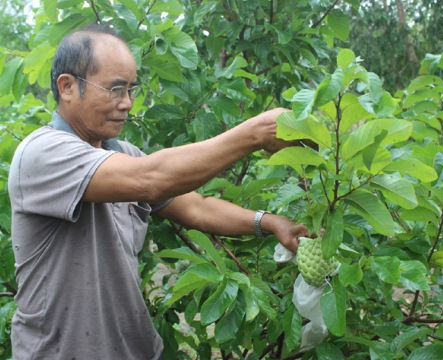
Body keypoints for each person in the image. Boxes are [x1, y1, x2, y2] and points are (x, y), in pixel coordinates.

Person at [8, 23, 308, 359]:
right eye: (115, 90)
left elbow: (198, 207)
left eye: (131, 90)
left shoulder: (121, 154)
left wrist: (268, 222)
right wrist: (258, 132)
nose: (127, 104)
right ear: (67, 87)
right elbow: (150, 180)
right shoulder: (42, 153)